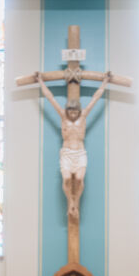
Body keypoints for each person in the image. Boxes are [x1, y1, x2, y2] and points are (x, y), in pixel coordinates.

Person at [35, 71, 110, 219]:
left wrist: (105, 82)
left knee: (80, 179)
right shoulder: (63, 116)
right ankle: (71, 203)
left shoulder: (83, 115)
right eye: (71, 112)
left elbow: (95, 98)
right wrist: (40, 81)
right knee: (67, 179)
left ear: (79, 111)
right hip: (67, 153)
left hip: (80, 153)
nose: (74, 115)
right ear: (68, 111)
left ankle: (76, 202)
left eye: (76, 112)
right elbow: (50, 98)